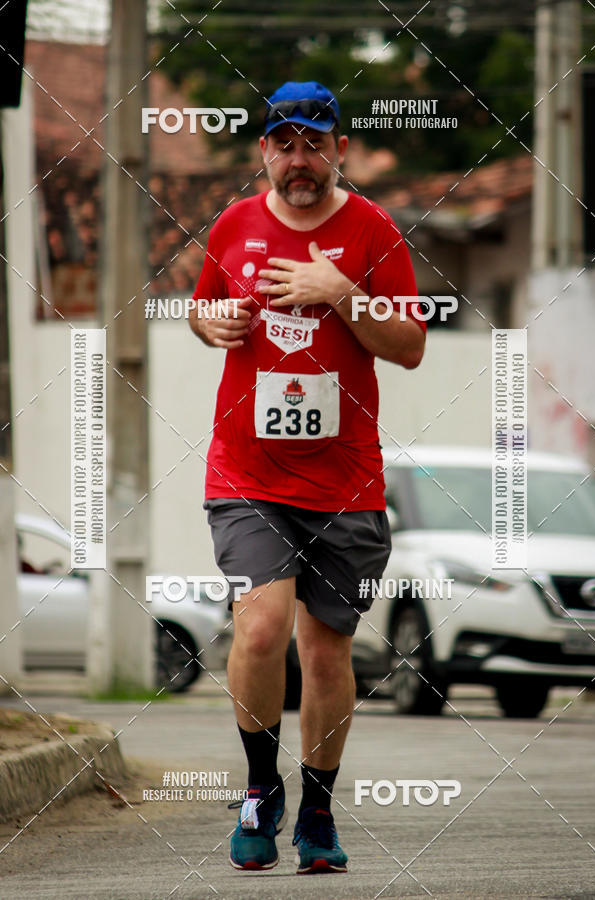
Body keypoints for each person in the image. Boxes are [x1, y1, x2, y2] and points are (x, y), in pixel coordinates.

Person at [189, 80, 425, 875]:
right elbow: (203, 309)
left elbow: (409, 346)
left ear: (340, 150)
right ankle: (261, 791)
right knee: (259, 626)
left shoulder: (373, 231)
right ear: (264, 151)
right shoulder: (234, 224)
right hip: (247, 472)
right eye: (284, 143)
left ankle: (318, 807)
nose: (300, 159)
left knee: (326, 656)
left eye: (314, 143)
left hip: (345, 484)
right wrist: (208, 321)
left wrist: (342, 293)